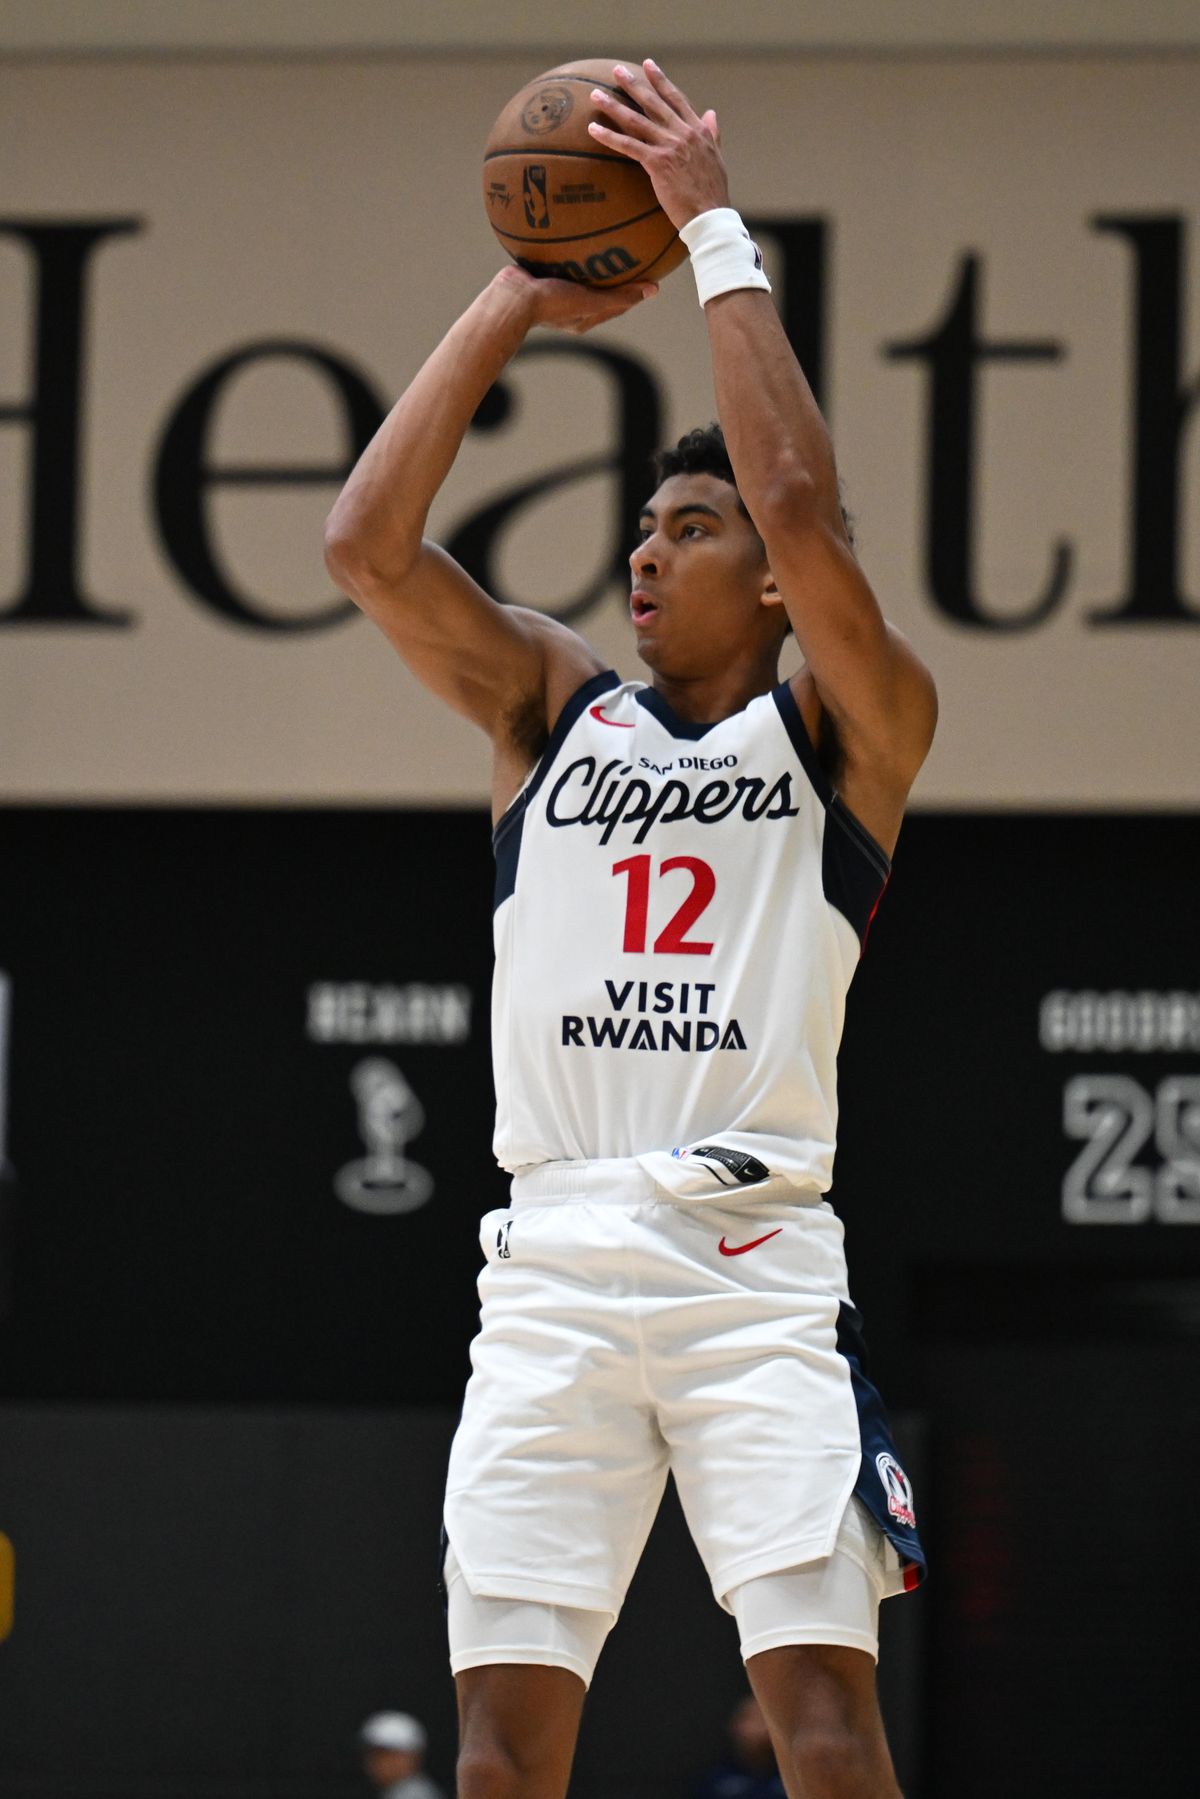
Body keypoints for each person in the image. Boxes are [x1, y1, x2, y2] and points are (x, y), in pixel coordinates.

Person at [326, 56, 936, 1799]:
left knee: (825, 1724)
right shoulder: (552, 710)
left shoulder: (847, 727)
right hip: (551, 1270)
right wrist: (517, 295)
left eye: (690, 526)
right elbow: (367, 543)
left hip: (753, 1272)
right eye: (641, 528)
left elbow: (806, 506)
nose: (647, 556)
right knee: (503, 1756)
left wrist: (706, 226)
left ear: (769, 580)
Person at [690, 1695, 786, 1799]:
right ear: (735, 1725)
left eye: (764, 1720)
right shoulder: (716, 1778)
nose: (761, 1728)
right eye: (752, 1719)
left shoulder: (789, 1775)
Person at [358, 1711, 444, 1799]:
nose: (376, 1762)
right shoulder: (395, 1792)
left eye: (386, 1755)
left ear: (413, 1756)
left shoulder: (417, 1795)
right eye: (373, 1755)